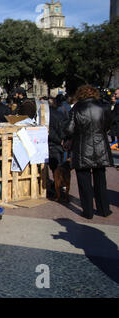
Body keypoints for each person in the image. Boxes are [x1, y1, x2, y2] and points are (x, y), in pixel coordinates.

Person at [64, 85, 113, 219]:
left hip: (82, 147)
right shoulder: (104, 106)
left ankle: (88, 211)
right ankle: (104, 209)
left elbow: (69, 129)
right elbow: (109, 125)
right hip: (100, 146)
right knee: (100, 180)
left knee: (84, 181)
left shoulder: (77, 108)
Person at [48, 97, 66, 173]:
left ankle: (58, 184)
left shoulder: (48, 116)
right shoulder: (60, 114)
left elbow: (50, 132)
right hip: (60, 144)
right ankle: (61, 184)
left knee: (55, 169)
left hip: (53, 144)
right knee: (60, 167)